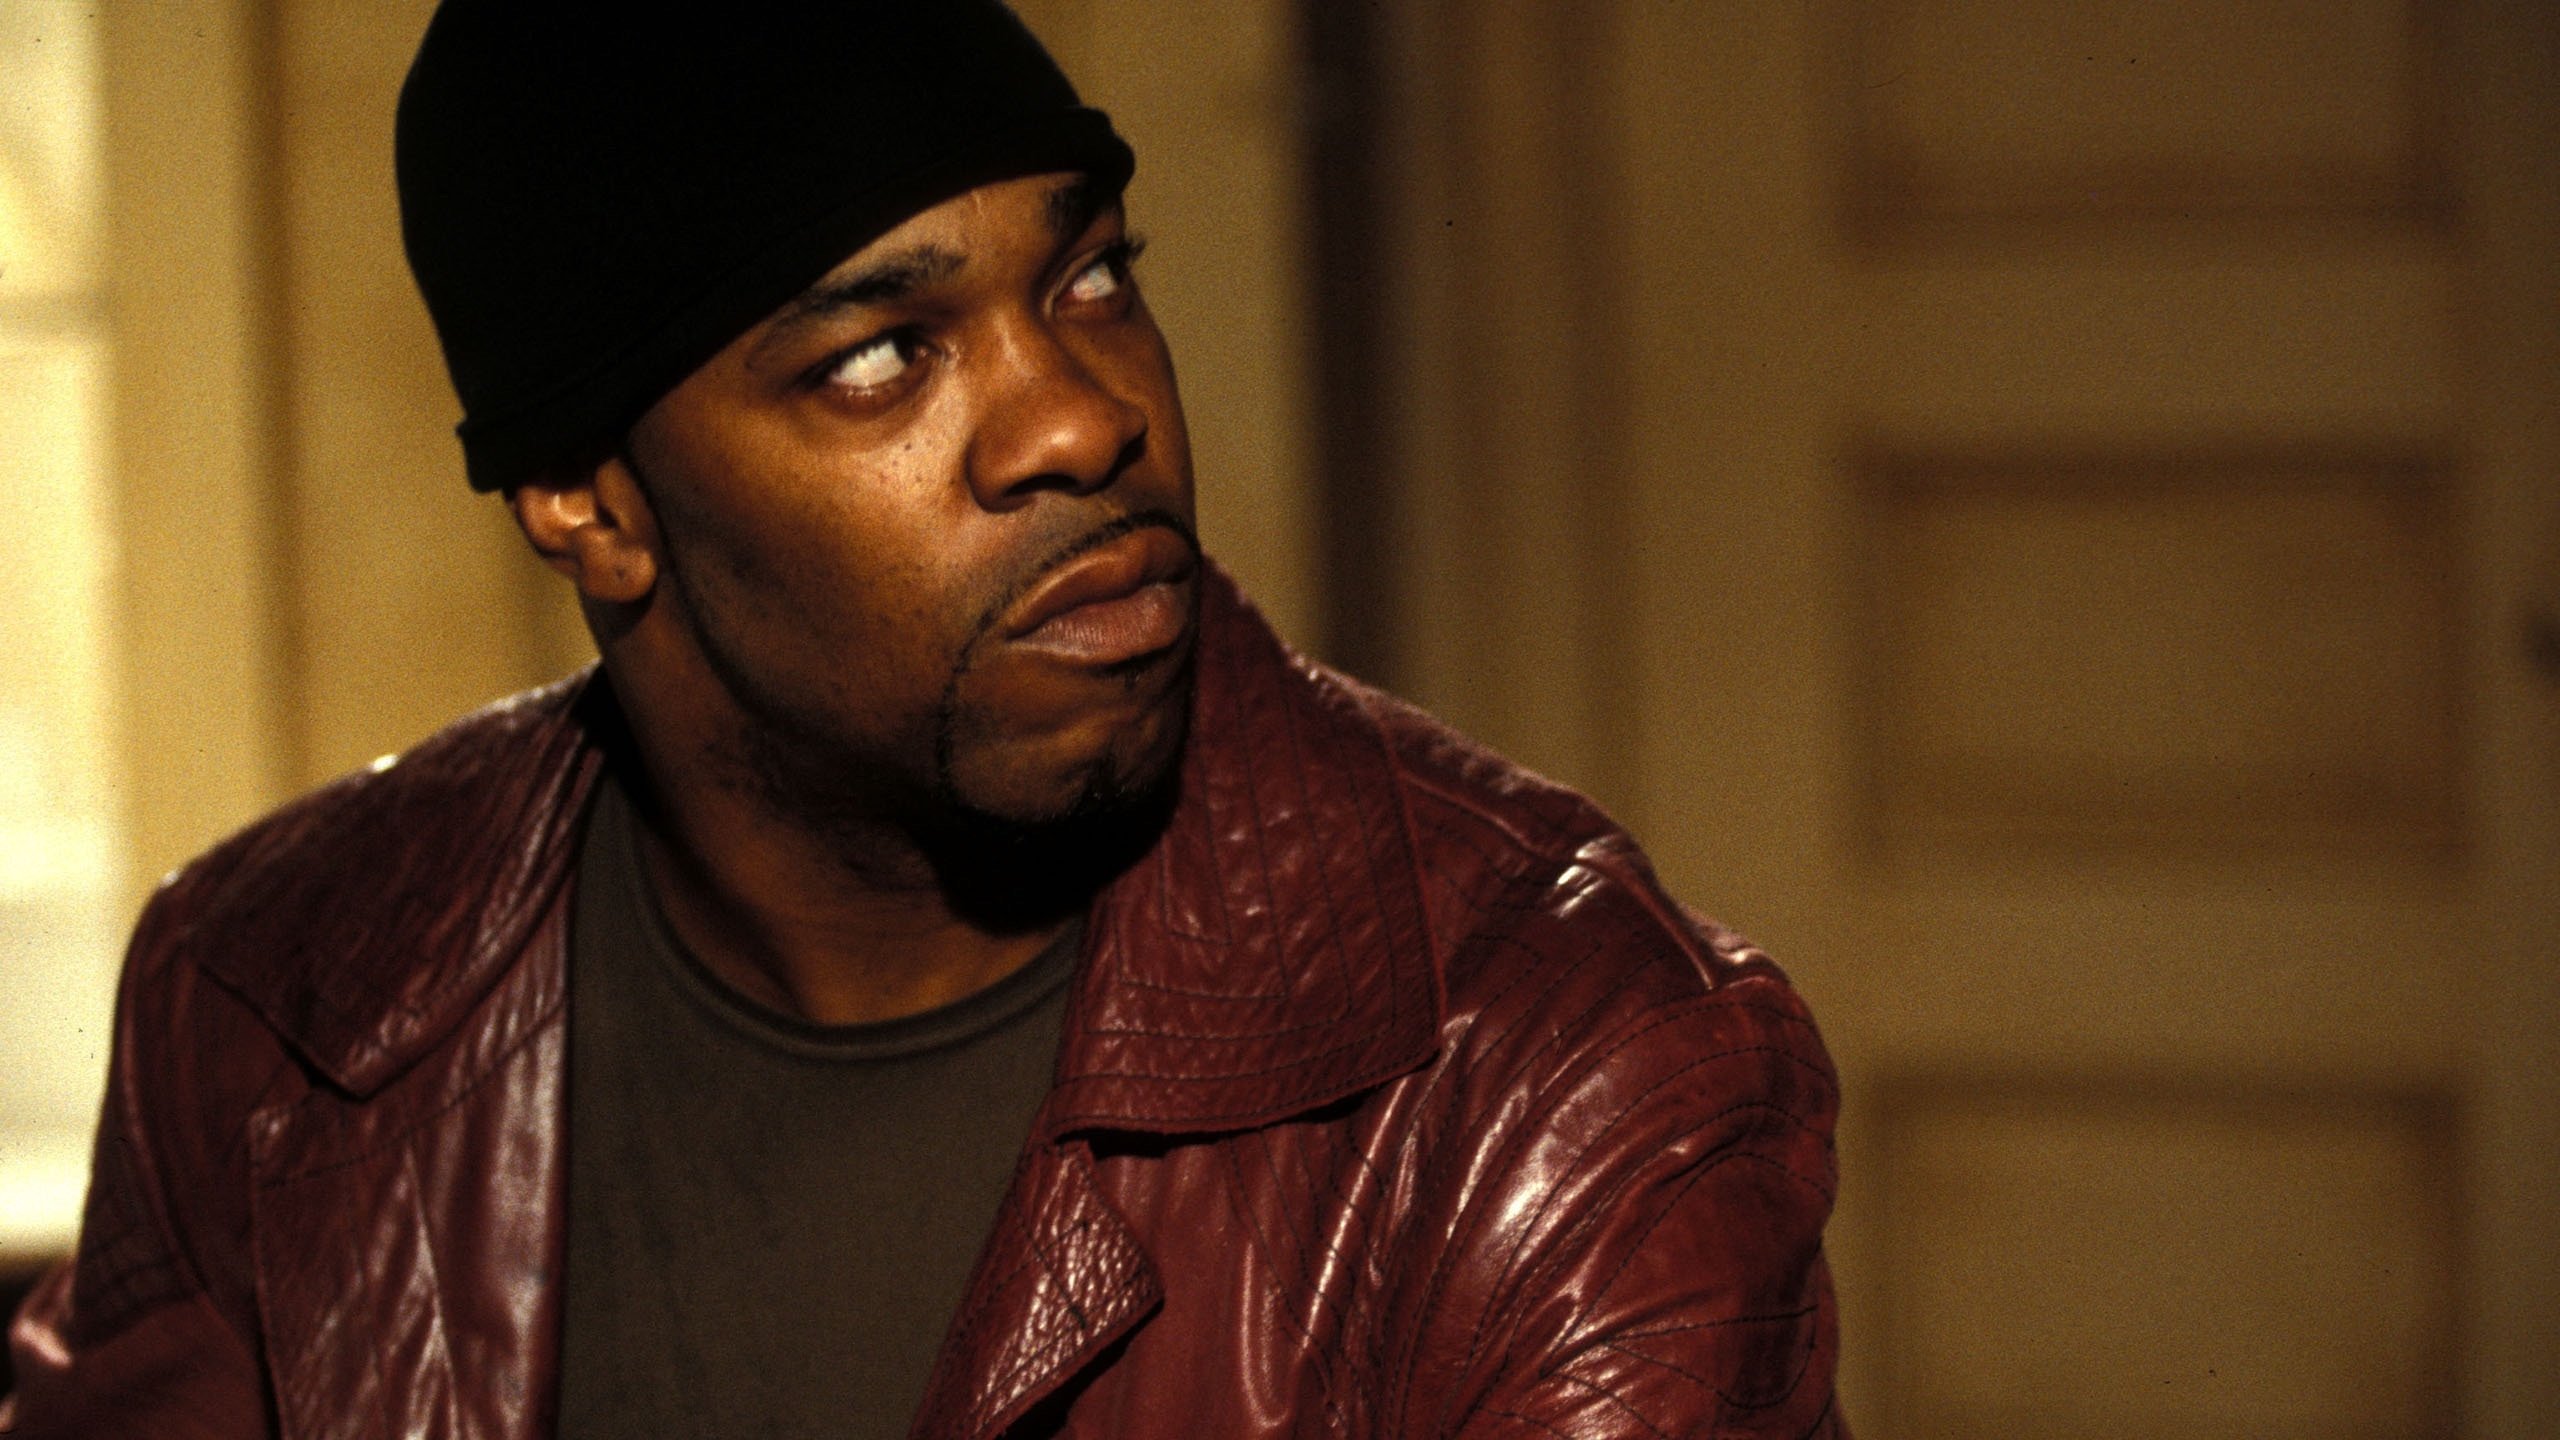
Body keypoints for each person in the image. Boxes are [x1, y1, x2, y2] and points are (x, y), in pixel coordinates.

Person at [2, 3, 1845, 1436]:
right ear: (592, 503)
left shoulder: (1553, 1070)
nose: (1083, 420)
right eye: (883, 355)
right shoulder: (274, 1002)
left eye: (1092, 276)